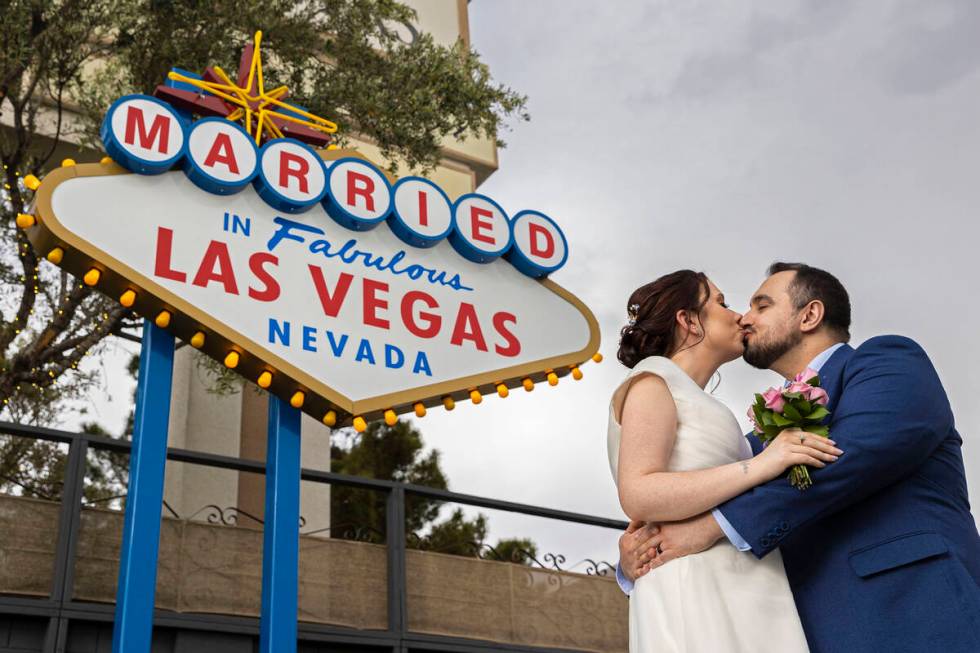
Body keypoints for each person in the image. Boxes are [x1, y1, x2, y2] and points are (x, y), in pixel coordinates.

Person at [616, 263, 980, 653]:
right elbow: (699, 487)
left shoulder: (885, 362)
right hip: (798, 629)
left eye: (762, 306)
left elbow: (855, 456)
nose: (744, 317)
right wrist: (640, 551)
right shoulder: (756, 443)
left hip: (909, 612)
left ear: (810, 315)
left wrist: (714, 525)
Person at [609, 269, 842, 652]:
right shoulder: (652, 381)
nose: (739, 316)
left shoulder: (697, 400)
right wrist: (763, 464)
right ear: (687, 320)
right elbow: (638, 491)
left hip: (743, 584)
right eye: (721, 302)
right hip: (697, 586)